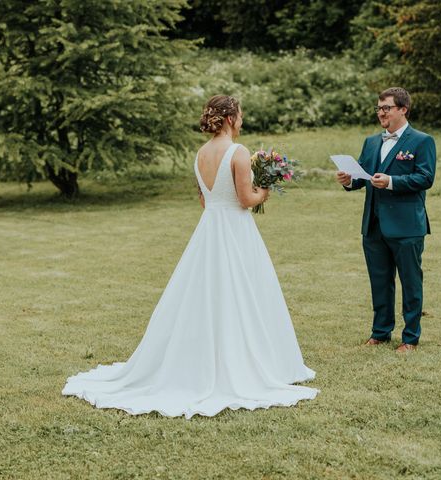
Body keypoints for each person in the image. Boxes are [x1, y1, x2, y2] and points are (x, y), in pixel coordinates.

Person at [63, 95, 318, 418]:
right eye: (239, 116)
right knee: (242, 291)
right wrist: (265, 190)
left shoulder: (200, 154)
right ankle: (246, 362)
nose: (241, 121)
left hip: (209, 228)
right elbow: (244, 199)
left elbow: (205, 200)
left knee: (207, 294)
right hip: (236, 230)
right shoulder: (238, 152)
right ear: (229, 119)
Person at [336, 87, 436, 352]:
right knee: (379, 281)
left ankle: (410, 337)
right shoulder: (371, 142)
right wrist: (349, 180)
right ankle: (380, 332)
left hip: (406, 227)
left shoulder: (422, 141)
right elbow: (362, 176)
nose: (381, 113)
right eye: (379, 108)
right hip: (374, 224)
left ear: (403, 109)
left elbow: (426, 178)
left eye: (386, 108)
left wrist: (391, 181)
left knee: (411, 283)